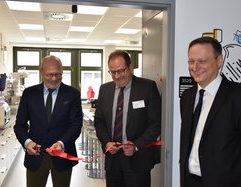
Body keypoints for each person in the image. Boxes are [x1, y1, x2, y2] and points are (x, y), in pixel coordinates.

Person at [179, 36, 241, 187]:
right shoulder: (187, 97)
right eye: (191, 61)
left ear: (219, 61)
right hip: (190, 181)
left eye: (202, 61)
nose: (195, 66)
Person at [94, 50, 161, 187]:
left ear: (130, 67)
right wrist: (106, 142)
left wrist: (136, 145)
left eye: (121, 71)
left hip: (138, 160)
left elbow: (156, 123)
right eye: (113, 72)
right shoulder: (105, 90)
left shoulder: (147, 87)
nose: (117, 76)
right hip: (112, 160)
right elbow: (99, 121)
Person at [14, 55, 83, 187]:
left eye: (58, 74)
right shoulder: (29, 94)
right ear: (41, 71)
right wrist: (27, 142)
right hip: (35, 155)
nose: (54, 78)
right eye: (49, 75)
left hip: (63, 155)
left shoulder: (72, 94)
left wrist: (61, 143)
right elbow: (20, 125)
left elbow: (75, 125)